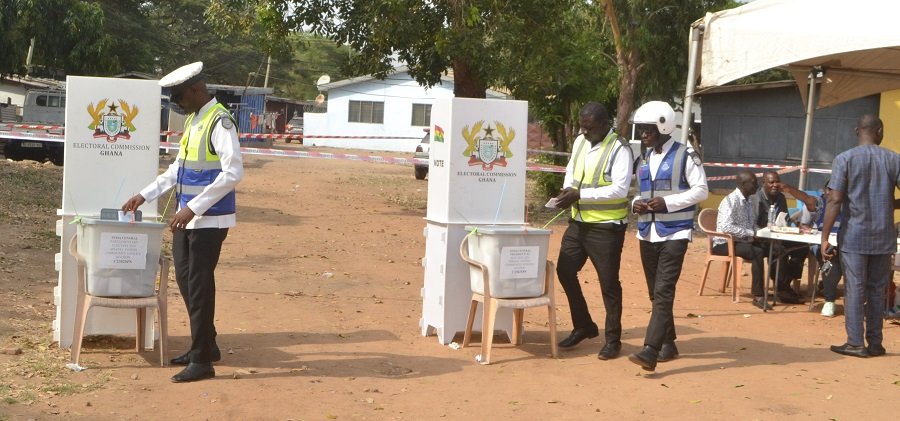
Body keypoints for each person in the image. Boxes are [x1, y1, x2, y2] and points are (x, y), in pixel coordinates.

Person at [122, 62, 244, 382]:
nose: (176, 103)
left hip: (209, 219)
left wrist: (194, 207)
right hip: (187, 218)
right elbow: (178, 168)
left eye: (178, 97)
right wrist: (145, 195)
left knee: (200, 285)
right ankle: (207, 343)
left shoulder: (220, 121)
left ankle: (202, 361)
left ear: (195, 90)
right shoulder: (194, 120)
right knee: (188, 282)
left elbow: (233, 172)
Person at [626, 101, 708, 372]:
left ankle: (650, 350)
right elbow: (641, 190)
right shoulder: (645, 157)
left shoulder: (686, 155)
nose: (643, 135)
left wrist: (669, 203)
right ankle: (669, 344)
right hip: (647, 233)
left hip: (675, 232)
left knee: (663, 291)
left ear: (664, 126)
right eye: (642, 130)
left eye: (648, 130)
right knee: (654, 292)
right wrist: (636, 203)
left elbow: (701, 190)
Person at [553, 101, 633, 360]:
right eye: (582, 127)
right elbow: (571, 172)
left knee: (609, 283)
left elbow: (620, 189)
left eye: (589, 128)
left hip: (606, 228)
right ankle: (584, 325)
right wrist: (567, 192)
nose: (584, 132)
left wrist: (581, 195)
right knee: (564, 270)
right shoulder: (580, 142)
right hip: (578, 223)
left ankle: (613, 340)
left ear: (605, 124)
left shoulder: (619, 149)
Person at [821, 115, 900, 358]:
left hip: (854, 236)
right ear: (880, 131)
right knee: (877, 289)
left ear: (857, 131)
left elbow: (835, 199)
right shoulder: (894, 159)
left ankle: (855, 342)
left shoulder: (844, 159)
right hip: (884, 237)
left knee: (855, 288)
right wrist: (889, 205)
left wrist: (825, 236)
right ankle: (875, 343)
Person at [781, 180, 844, 317]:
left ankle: (833, 291)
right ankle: (829, 300)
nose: (832, 193)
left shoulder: (849, 205)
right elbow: (806, 200)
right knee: (829, 264)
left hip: (844, 246)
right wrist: (789, 189)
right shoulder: (820, 203)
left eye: (836, 190)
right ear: (824, 190)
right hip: (821, 246)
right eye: (829, 189)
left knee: (841, 263)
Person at [714, 171, 769, 310]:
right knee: (757, 252)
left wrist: (760, 232)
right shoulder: (730, 201)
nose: (757, 185)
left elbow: (751, 224)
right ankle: (758, 296)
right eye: (754, 182)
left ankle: (782, 288)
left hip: (742, 240)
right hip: (724, 243)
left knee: (773, 248)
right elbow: (726, 227)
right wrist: (750, 233)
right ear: (744, 184)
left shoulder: (749, 200)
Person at [755, 172, 807, 304]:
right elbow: (753, 224)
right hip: (761, 238)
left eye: (777, 182)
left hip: (779, 234)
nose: (775, 185)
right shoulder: (757, 198)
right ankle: (783, 289)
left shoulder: (781, 198)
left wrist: (796, 225)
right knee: (778, 249)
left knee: (802, 247)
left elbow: (785, 219)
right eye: (771, 182)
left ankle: (785, 281)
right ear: (764, 183)